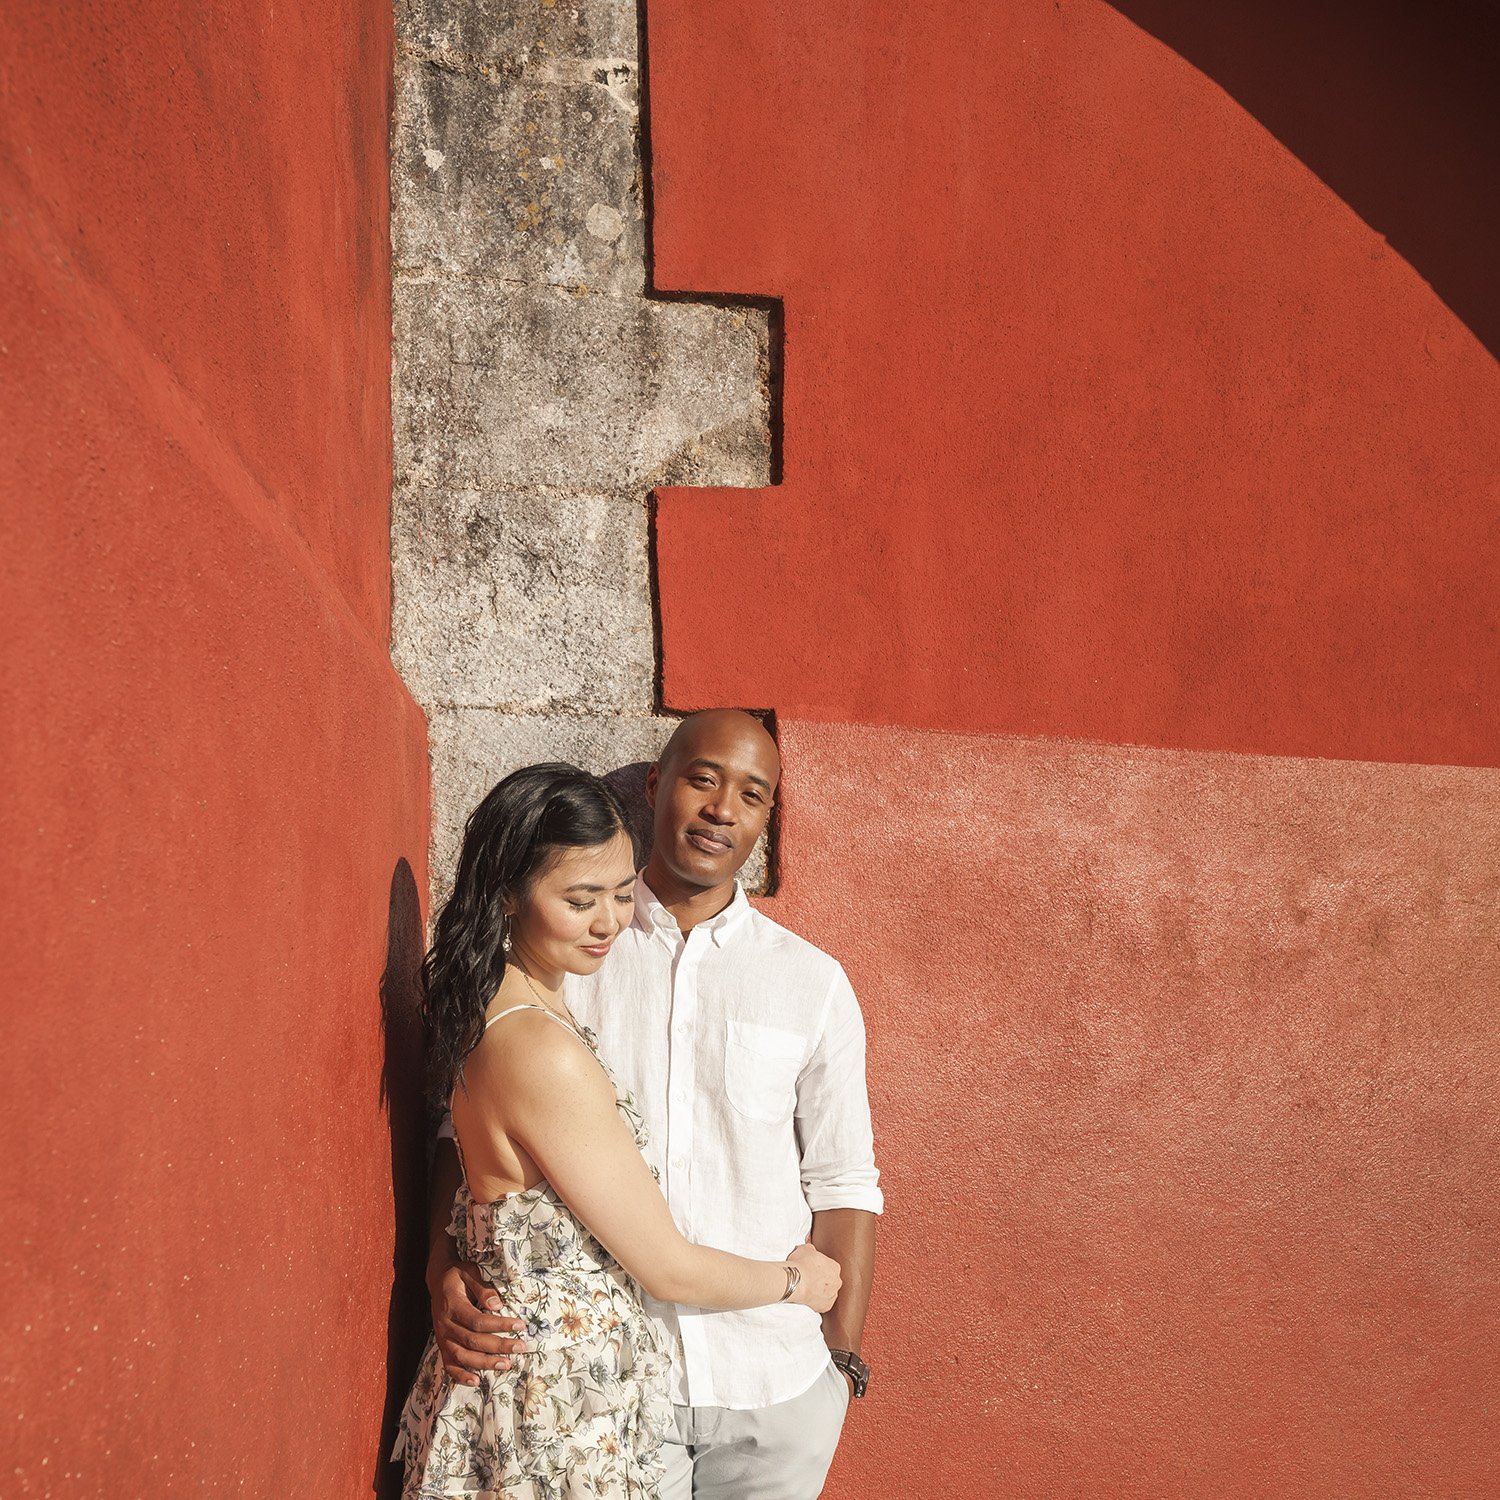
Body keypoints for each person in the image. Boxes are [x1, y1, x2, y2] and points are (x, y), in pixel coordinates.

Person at [428, 713, 882, 1499]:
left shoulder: (812, 983)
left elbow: (844, 1183)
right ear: (655, 786)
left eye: (752, 794)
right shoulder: (571, 949)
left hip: (775, 1387)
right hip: (619, 1390)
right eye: (703, 779)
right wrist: (444, 1270)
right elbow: (465, 1137)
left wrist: (836, 1361)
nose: (722, 809)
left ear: (767, 817)